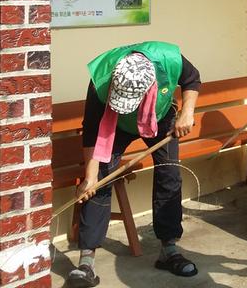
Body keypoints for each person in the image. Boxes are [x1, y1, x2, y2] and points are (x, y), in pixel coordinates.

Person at [67, 41, 201, 288]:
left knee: (170, 176)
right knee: (100, 181)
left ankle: (169, 249)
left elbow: (192, 79)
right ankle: (86, 262)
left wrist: (187, 112)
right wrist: (90, 176)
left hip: (159, 117)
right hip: (114, 124)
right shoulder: (101, 77)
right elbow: (92, 131)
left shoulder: (169, 59)